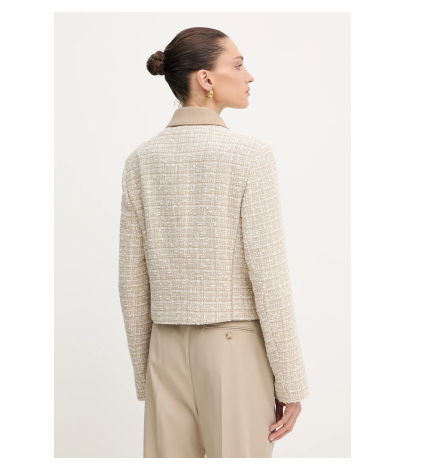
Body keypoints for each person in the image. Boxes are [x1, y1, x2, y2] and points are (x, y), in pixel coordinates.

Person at [118, 26, 310, 458]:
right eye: (238, 65)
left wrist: (146, 373)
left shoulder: (140, 161)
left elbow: (131, 280)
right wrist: (290, 382)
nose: (249, 76)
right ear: (206, 79)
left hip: (164, 349)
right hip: (233, 351)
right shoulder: (250, 156)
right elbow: (269, 276)